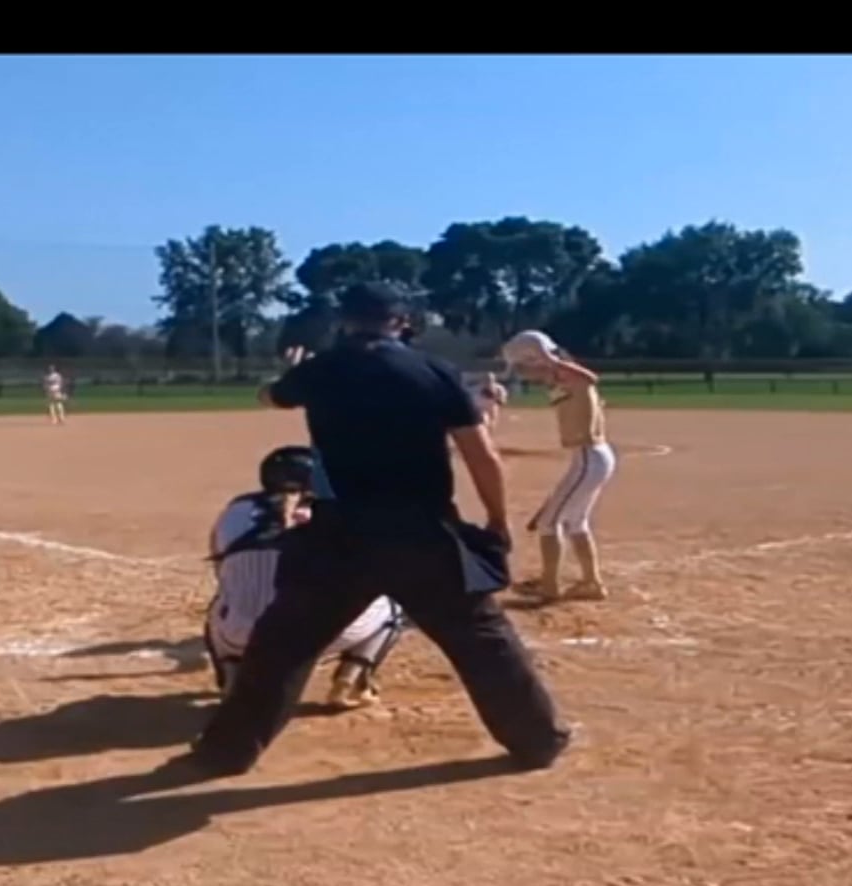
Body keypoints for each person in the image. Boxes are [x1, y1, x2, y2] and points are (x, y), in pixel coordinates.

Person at [186, 282, 570, 777]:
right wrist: (497, 520)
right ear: (401, 322)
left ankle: (227, 751)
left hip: (339, 534)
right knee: (483, 639)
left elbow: (270, 396)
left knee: (282, 644)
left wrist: (287, 374)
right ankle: (538, 741)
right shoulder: (434, 371)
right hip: (423, 530)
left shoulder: (323, 369)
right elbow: (482, 456)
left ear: (346, 321)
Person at [203, 446, 406, 710]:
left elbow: (222, 572)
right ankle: (353, 680)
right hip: (323, 635)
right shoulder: (341, 511)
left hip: (241, 636)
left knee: (222, 605)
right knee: (391, 602)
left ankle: (235, 681)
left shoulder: (236, 509)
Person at [504, 330, 615, 603]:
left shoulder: (571, 375)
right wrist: (545, 362)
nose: (524, 373)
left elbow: (591, 378)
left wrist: (547, 358)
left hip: (590, 457)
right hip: (590, 458)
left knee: (548, 523)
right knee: (576, 521)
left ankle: (549, 585)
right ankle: (591, 582)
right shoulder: (558, 379)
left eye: (524, 365)